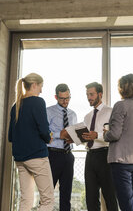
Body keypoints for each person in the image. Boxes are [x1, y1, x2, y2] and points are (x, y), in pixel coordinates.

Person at [8, 73, 54, 211]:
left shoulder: (15, 106)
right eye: (41, 87)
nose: (41, 90)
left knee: (26, 199)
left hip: (20, 159)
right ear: (34, 85)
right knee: (48, 200)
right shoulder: (38, 102)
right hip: (37, 157)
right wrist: (48, 137)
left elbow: (11, 136)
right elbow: (44, 130)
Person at [104, 73, 133, 211]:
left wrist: (106, 134)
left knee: (126, 202)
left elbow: (115, 134)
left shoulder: (120, 105)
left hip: (121, 161)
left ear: (122, 88)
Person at [81, 82, 118, 211]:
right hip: (90, 157)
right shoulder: (87, 117)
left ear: (100, 94)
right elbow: (85, 138)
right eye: (87, 95)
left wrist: (97, 135)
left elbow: (114, 135)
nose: (89, 97)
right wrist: (75, 138)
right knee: (90, 198)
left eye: (91, 94)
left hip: (105, 156)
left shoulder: (110, 112)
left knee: (110, 196)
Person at [46, 83, 77, 211]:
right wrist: (60, 134)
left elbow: (73, 133)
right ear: (56, 97)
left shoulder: (73, 114)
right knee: (47, 193)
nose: (65, 101)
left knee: (66, 195)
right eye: (62, 98)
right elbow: (44, 134)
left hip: (68, 155)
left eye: (68, 98)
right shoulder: (48, 111)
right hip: (53, 155)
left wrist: (75, 138)